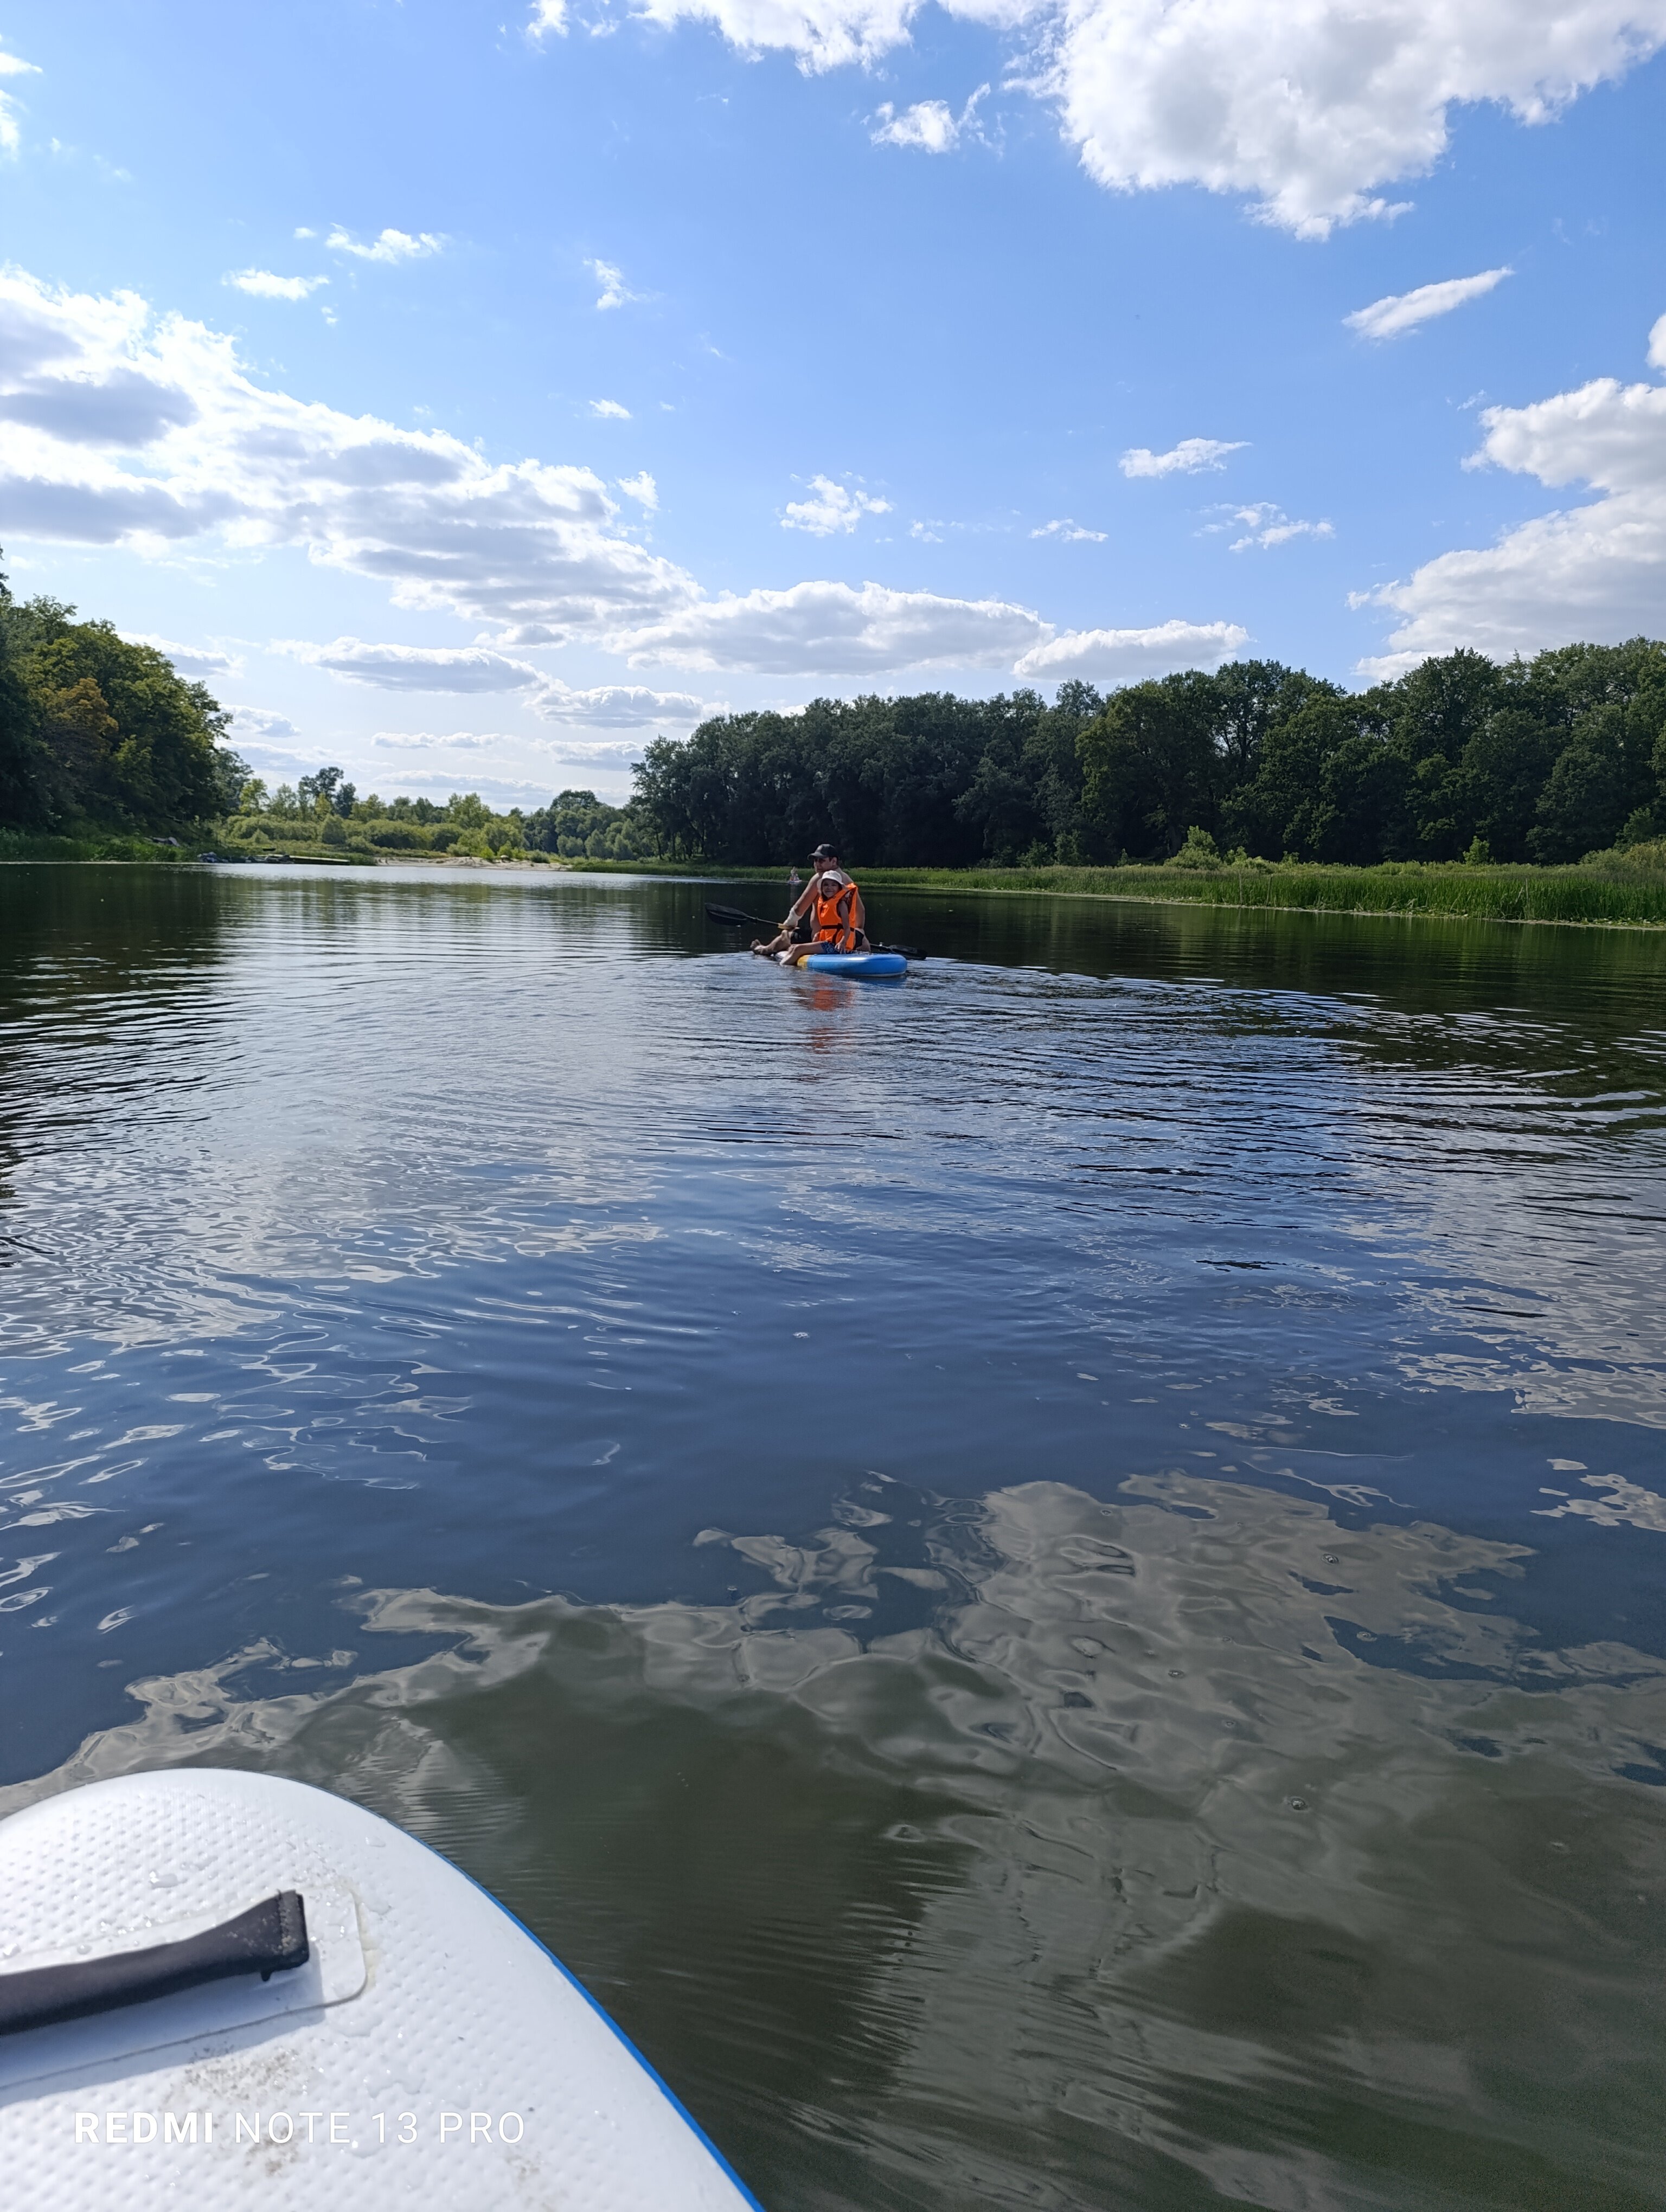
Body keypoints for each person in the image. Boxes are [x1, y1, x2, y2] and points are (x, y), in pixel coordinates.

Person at [751, 843, 868, 961]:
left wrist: (789, 925)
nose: (817, 864)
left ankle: (763, 949)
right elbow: (861, 912)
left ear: (834, 861)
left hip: (822, 939)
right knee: (861, 937)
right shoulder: (848, 880)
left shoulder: (820, 878)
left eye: (821, 861)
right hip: (854, 939)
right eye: (815, 861)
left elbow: (798, 910)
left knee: (786, 935)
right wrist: (854, 937)